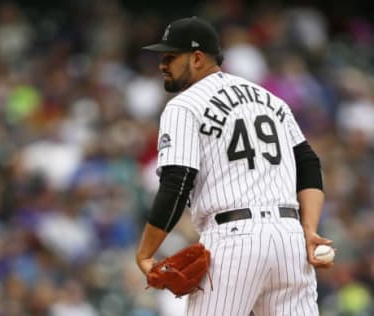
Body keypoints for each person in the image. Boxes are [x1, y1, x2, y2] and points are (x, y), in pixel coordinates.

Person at [135, 16, 333, 315]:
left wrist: (146, 252)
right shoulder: (271, 99)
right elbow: (308, 163)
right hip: (290, 239)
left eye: (170, 56)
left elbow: (178, 180)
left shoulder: (184, 105)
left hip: (234, 239)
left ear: (198, 58)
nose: (162, 64)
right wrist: (309, 229)